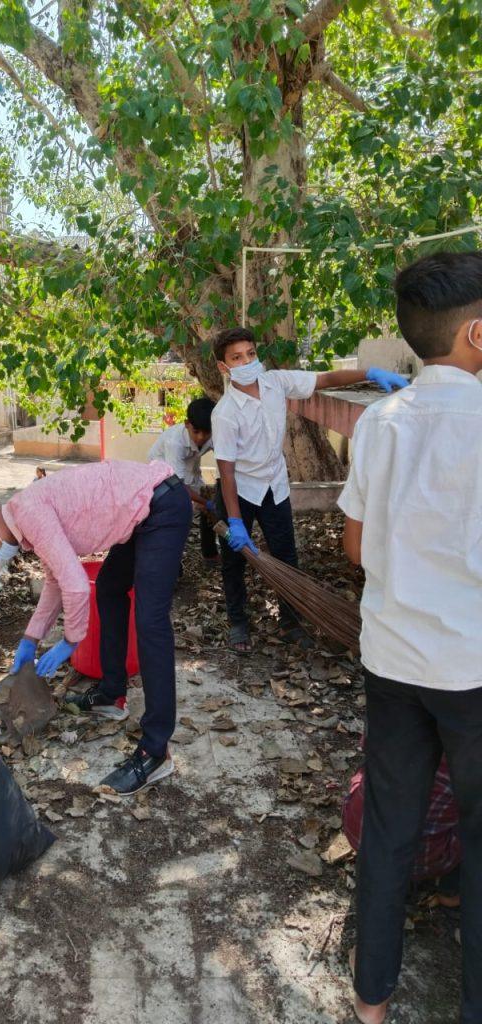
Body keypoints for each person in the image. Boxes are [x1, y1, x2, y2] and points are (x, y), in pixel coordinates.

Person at [338, 250, 482, 1024]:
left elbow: (357, 550)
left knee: (390, 830)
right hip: (473, 667)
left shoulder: (378, 423)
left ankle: (371, 1001)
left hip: (393, 660)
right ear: (478, 337)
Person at [0, 459, 192, 795]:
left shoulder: (29, 512)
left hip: (161, 506)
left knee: (150, 622)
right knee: (109, 587)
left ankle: (155, 751)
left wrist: (69, 642)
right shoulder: (25, 518)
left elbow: (77, 586)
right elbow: (55, 580)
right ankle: (112, 693)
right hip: (141, 512)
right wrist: (30, 638)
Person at [210, 327, 408, 654]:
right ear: (224, 367)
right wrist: (234, 521)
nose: (247, 361)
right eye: (237, 357)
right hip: (239, 492)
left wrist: (370, 373)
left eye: (251, 353)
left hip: (274, 485)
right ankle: (238, 622)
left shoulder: (275, 382)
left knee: (286, 556)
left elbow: (324, 380)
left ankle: (290, 622)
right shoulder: (225, 414)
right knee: (234, 560)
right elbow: (227, 473)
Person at [343, 755, 460, 901]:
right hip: (422, 858)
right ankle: (450, 890)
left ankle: (376, 868)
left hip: (360, 832)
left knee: (369, 764)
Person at [148, 396, 218, 567]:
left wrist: (211, 502)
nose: (201, 437)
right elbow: (178, 487)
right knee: (174, 517)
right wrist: (206, 502)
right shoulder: (174, 442)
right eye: (196, 432)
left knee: (209, 511)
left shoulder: (213, 433)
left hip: (190, 473)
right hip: (163, 479)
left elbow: (226, 460)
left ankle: (210, 555)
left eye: (206, 433)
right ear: (187, 424)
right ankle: (172, 566)